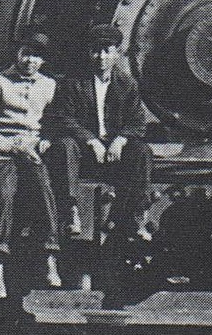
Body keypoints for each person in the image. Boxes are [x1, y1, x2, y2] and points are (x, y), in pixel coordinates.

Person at [46, 23, 152, 242]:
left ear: (116, 53)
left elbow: (138, 121)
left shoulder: (127, 84)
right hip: (84, 153)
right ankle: (71, 211)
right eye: (96, 50)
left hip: (114, 152)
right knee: (65, 145)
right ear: (89, 52)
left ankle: (136, 216)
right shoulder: (74, 82)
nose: (101, 57)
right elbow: (62, 117)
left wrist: (121, 139)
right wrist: (90, 140)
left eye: (107, 51)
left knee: (142, 151)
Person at [0, 33, 61, 298]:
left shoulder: (49, 85)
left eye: (37, 56)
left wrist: (45, 140)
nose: (30, 60)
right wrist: (13, 146)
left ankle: (50, 257)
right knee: (4, 193)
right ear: (17, 53)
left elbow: (53, 122)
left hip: (31, 153)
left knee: (44, 187)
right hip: (0, 151)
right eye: (26, 53)